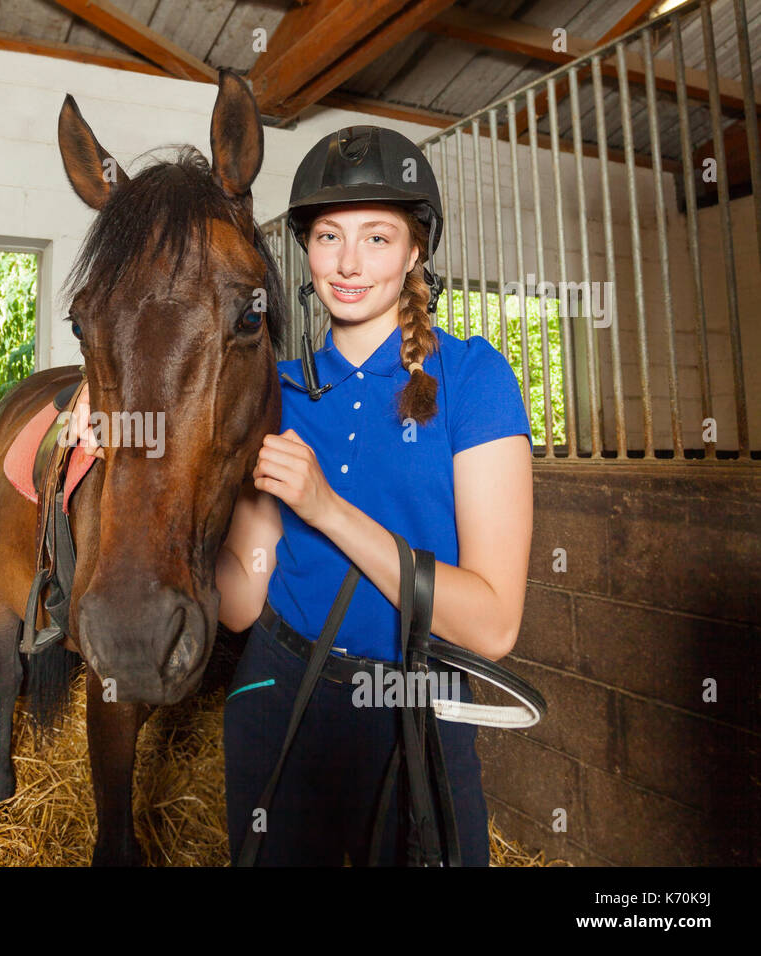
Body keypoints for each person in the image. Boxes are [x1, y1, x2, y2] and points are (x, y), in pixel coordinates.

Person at [66, 125, 533, 865]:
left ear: (417, 251)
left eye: (377, 238)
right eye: (326, 237)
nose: (348, 263)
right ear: (304, 252)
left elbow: (495, 623)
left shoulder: (476, 380)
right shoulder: (270, 389)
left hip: (413, 716)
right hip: (277, 702)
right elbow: (246, 600)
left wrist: (326, 510)